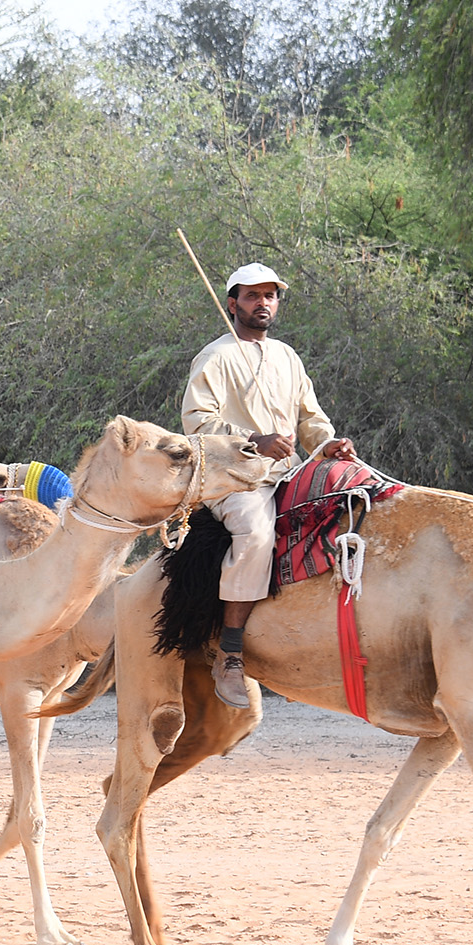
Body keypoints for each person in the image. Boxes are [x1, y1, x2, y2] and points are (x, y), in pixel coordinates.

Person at [180, 265, 355, 708]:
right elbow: (197, 424)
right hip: (236, 479)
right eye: (252, 295)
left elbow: (310, 418)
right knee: (256, 535)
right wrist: (253, 442)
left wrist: (329, 442)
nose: (263, 303)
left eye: (270, 295)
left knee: (355, 502)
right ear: (232, 303)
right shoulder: (215, 357)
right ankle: (231, 653)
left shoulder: (287, 357)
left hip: (292, 470)